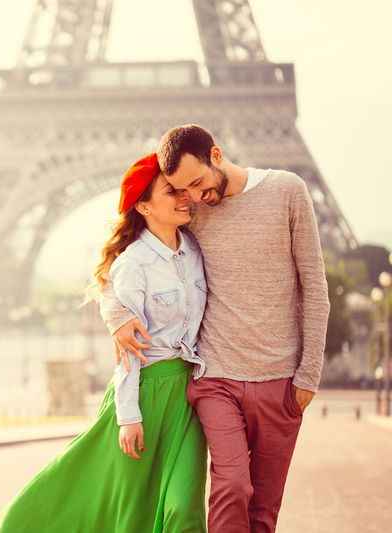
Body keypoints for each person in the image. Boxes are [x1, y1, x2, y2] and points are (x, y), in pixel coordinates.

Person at [99, 124, 330, 533]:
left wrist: (309, 373)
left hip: (280, 380)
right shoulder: (192, 212)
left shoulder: (287, 190)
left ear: (216, 155)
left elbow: (314, 286)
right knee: (232, 487)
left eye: (197, 183)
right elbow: (124, 267)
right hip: (214, 378)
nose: (193, 197)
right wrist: (116, 314)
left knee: (264, 508)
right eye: (181, 190)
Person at [0, 153, 208, 532]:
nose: (182, 198)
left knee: (182, 508)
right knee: (131, 512)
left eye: (182, 190)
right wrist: (129, 416)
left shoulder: (196, 249)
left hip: (188, 396)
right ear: (143, 205)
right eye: (170, 192)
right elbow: (127, 351)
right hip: (145, 394)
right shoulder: (133, 264)